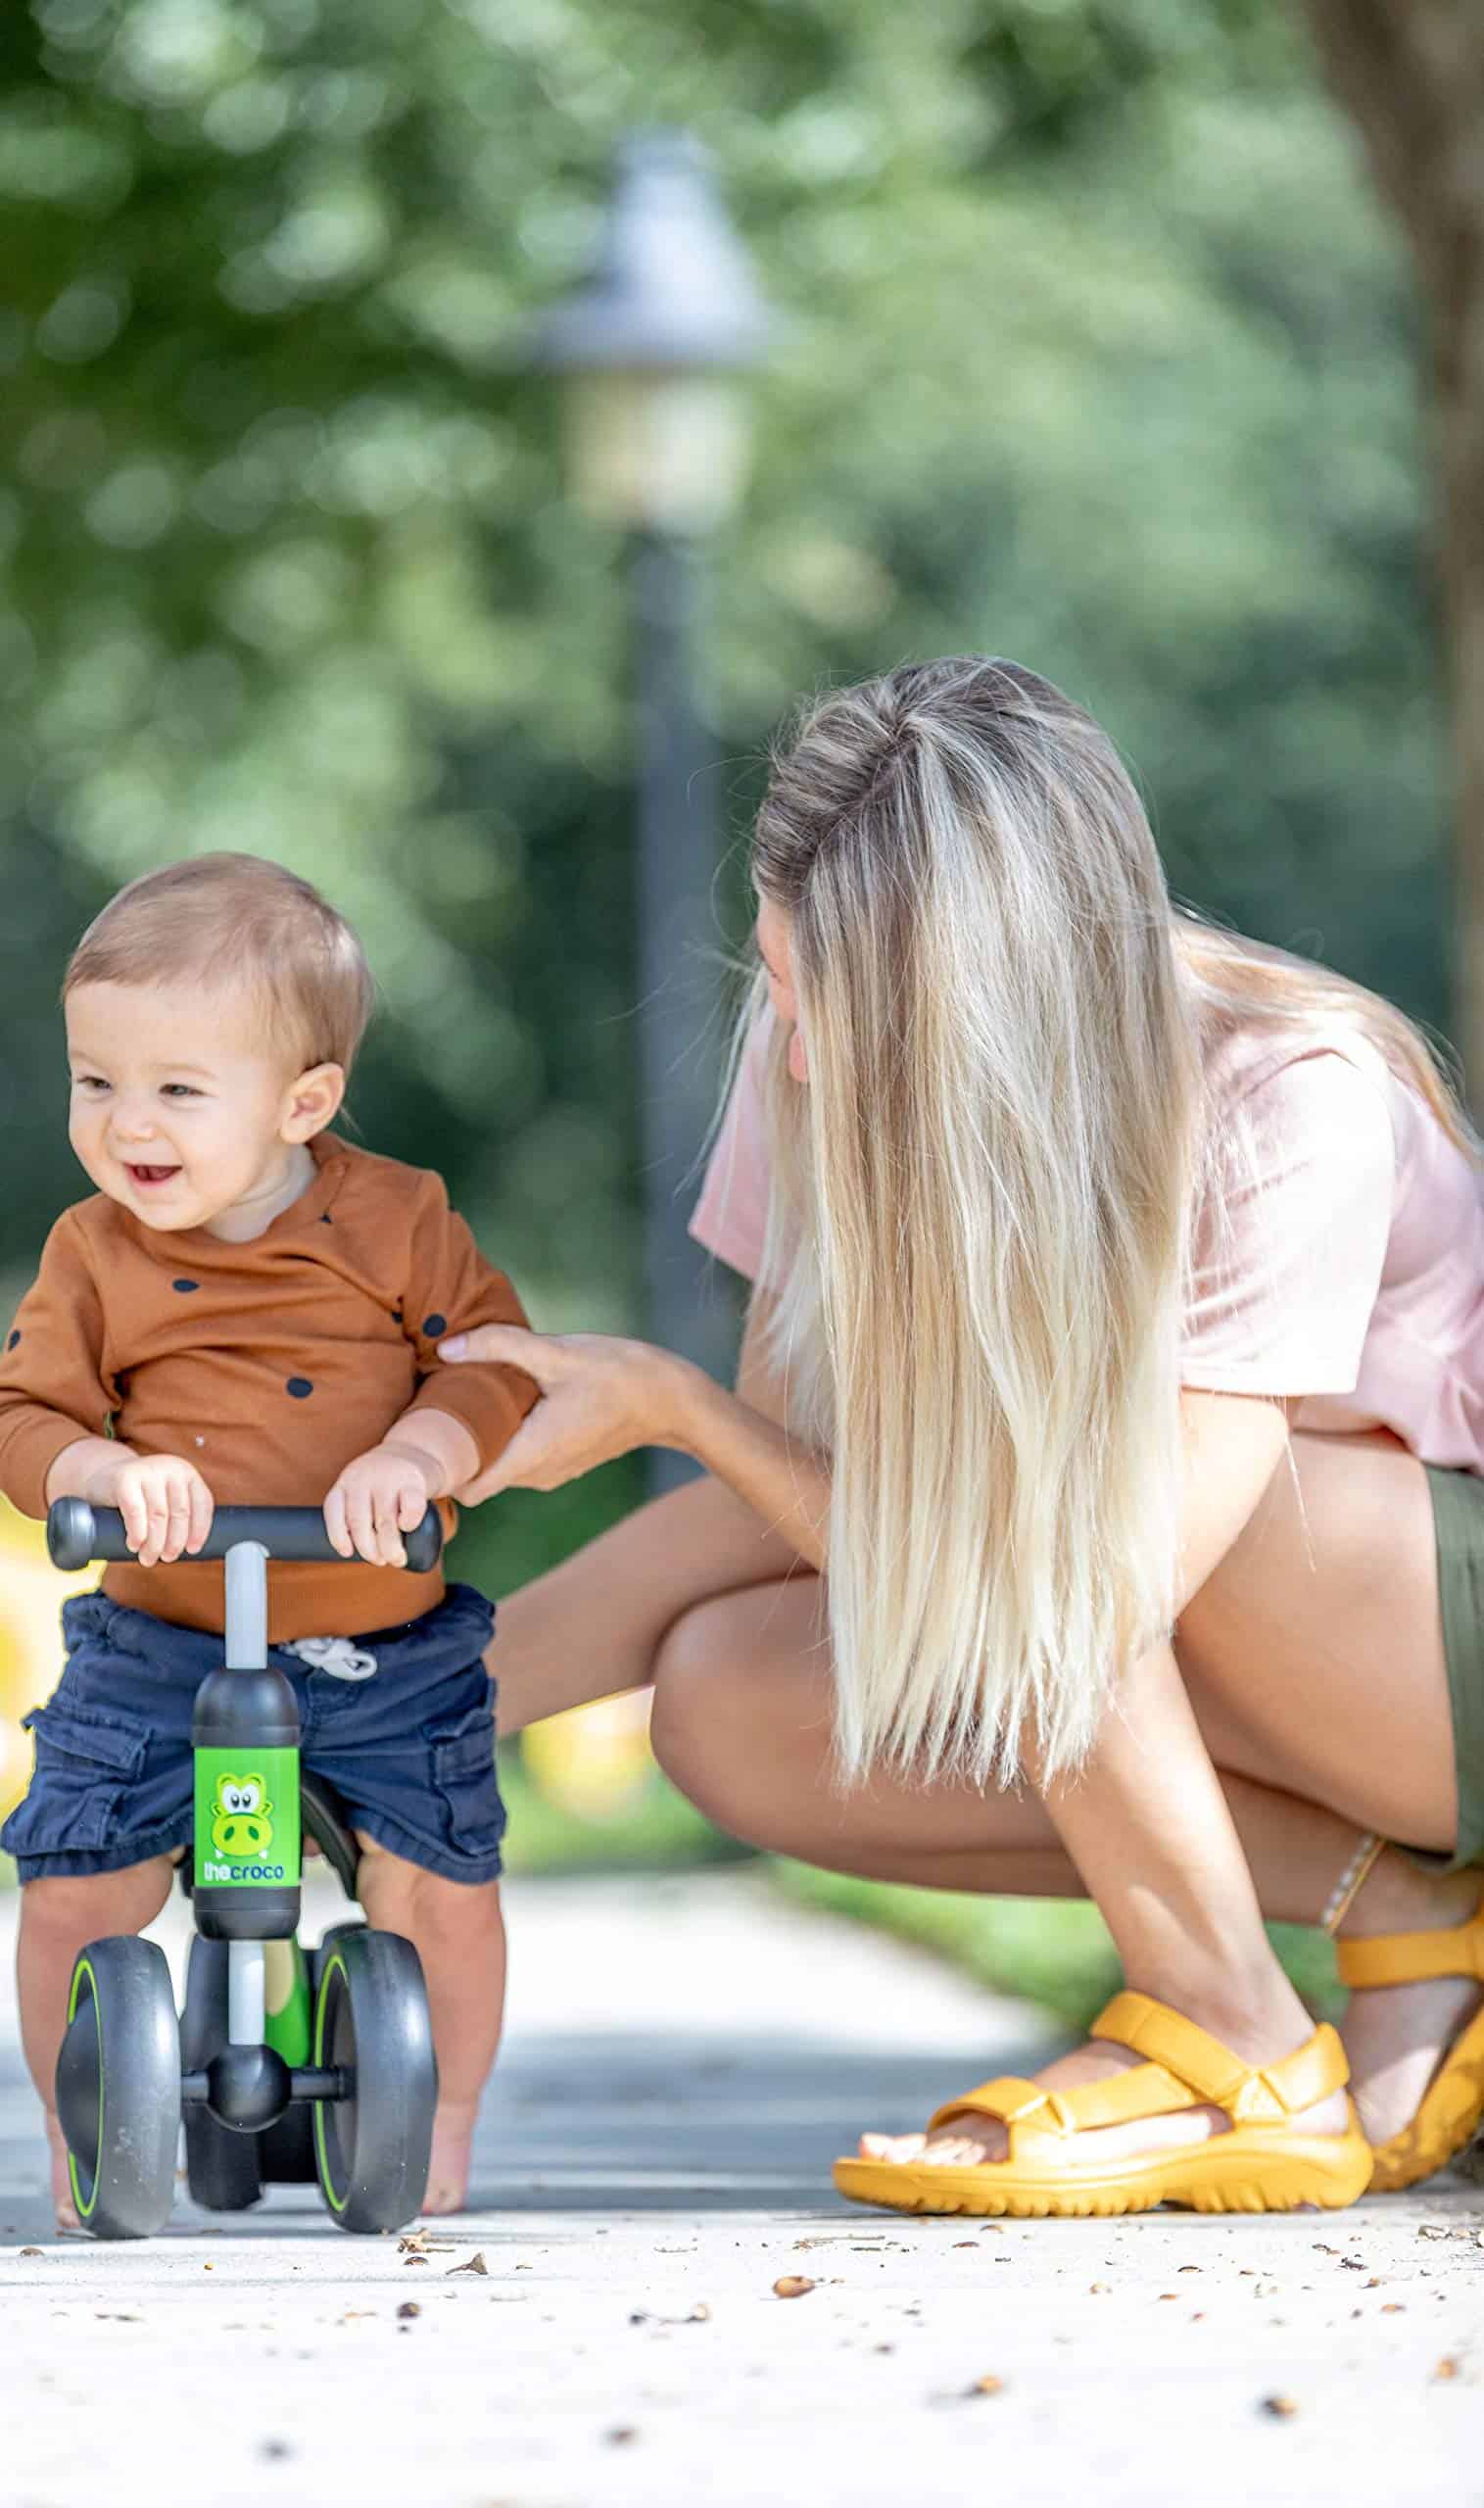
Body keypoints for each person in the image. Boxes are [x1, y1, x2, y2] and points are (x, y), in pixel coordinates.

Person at [438, 656, 1484, 2218]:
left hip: (1421, 1635)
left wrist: (689, 1413)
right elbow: (781, 1495)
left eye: (838, 1014)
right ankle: (1403, 1919)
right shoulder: (803, 1056)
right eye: (783, 990)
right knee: (732, 1698)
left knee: (1052, 1492)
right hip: (1159, 1593)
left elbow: (1095, 1594)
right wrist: (398, 1714)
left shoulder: (1287, 1095)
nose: (795, 1058)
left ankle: (1231, 2033)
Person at [0, 853, 535, 2225]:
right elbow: (15, 1413)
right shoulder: (91, 1251)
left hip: (379, 1648)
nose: (125, 1124)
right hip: (164, 1639)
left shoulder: (399, 1222)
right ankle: (78, 2119)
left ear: (305, 1101)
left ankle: (442, 2108)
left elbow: (499, 1365)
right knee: (75, 1882)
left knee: (440, 1888)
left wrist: (422, 1453)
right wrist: (98, 1461)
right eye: (94, 1081)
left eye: (175, 1088)